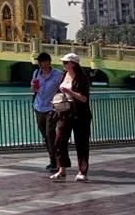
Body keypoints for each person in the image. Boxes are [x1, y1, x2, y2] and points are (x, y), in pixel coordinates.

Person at [50, 52, 92, 182]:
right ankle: (62, 169)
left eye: (66, 62)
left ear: (73, 64)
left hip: (80, 114)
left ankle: (82, 171)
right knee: (59, 141)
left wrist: (70, 92)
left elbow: (84, 98)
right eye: (63, 62)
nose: (63, 64)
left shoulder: (82, 78)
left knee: (81, 143)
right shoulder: (64, 75)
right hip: (65, 113)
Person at [31, 52, 63, 172]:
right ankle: (52, 160)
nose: (41, 64)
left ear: (48, 62)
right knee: (45, 135)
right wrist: (33, 87)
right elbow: (33, 90)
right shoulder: (36, 73)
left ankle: (56, 161)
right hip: (38, 106)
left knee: (50, 134)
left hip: (51, 108)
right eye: (39, 62)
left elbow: (63, 89)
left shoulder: (58, 74)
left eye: (43, 61)